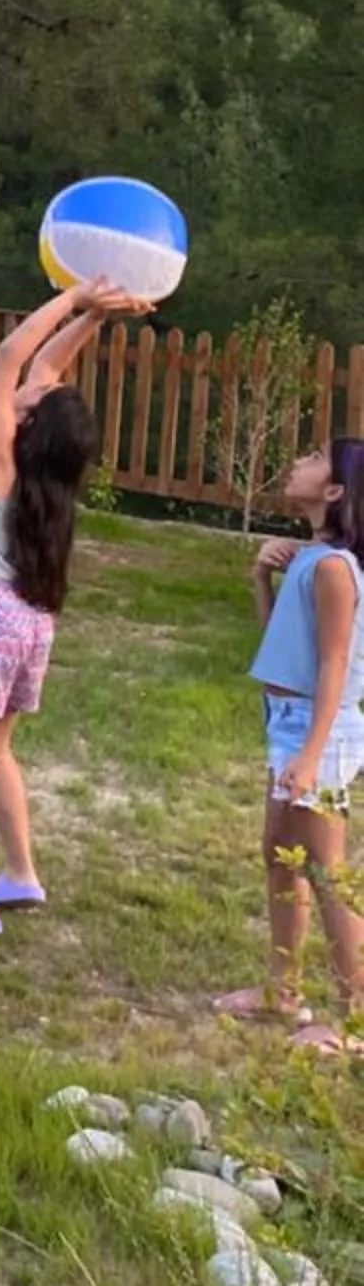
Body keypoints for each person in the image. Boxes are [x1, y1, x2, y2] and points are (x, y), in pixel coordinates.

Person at [0, 275, 132, 943]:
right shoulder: (42, 481)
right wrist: (95, 317)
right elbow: (44, 365)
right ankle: (19, 873)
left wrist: (72, 296)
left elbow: (14, 356)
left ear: (29, 422)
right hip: (27, 620)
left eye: (38, 397)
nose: (33, 385)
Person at [215, 440, 364, 1053]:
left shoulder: (335, 569)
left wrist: (311, 755)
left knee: (327, 874)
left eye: (313, 457)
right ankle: (284, 992)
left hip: (316, 730)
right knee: (280, 853)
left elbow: (334, 664)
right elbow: (284, 644)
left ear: (335, 493)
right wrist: (260, 579)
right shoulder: (311, 557)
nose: (298, 459)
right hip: (289, 722)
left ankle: (355, 1018)